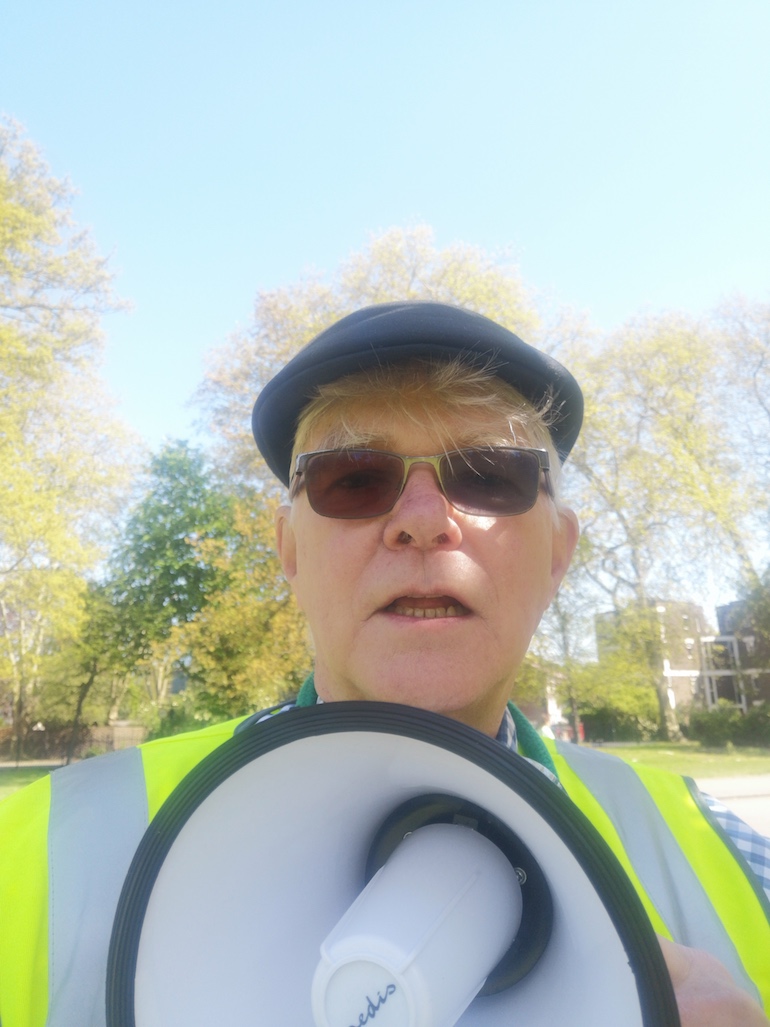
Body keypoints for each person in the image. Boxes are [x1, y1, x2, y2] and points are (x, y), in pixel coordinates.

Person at [1, 302, 768, 1027]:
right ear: (289, 550)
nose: (425, 522)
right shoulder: (38, 850)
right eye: (355, 479)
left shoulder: (724, 851)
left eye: (490, 474)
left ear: (560, 552)